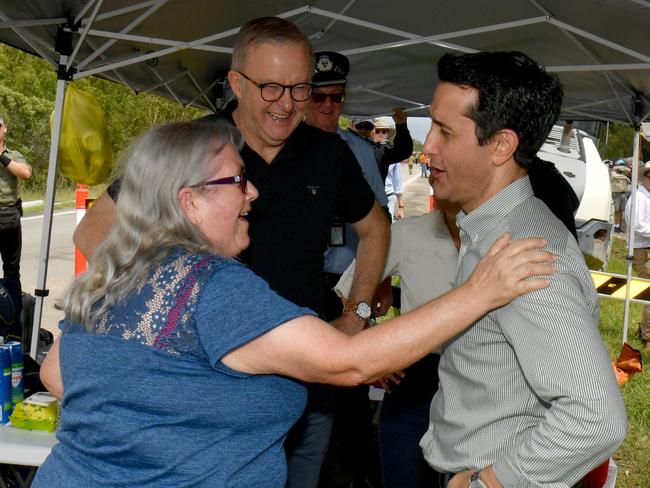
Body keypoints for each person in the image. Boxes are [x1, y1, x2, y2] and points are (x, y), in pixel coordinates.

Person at [34, 119, 554, 488]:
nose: (252, 193)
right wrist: (480, 290)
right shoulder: (209, 285)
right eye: (237, 181)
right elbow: (350, 364)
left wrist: (173, 406)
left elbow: (58, 373)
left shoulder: (114, 276)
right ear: (189, 201)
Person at [73, 17, 391, 488]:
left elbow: (377, 228)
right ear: (237, 83)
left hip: (304, 383)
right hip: (209, 395)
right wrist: (161, 316)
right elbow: (92, 235)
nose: (287, 104)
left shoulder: (329, 153)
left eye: (300, 89)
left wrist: (357, 313)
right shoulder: (193, 150)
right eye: (271, 88)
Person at [419, 51, 627, 488]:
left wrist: (488, 483)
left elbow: (597, 418)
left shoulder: (525, 251)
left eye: (445, 132)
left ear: (501, 146)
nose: (426, 149)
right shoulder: (491, 227)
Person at [336, 186, 461, 488]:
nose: (434, 172)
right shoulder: (408, 233)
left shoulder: (503, 235)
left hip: (483, 384)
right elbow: (350, 290)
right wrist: (376, 348)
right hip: (417, 382)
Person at [305, 50, 389, 487]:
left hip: (343, 291)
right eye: (318, 98)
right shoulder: (284, 149)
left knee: (348, 406)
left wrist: (366, 302)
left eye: (335, 99)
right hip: (297, 293)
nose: (326, 107)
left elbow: (381, 226)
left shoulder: (358, 152)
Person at [0, 115, 32, 320]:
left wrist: (2, 157)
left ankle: (12, 320)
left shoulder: (14, 155)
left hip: (8, 219)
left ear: (4, 129)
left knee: (11, 270)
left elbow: (25, 173)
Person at [624, 161, 650, 349]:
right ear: (646, 177)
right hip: (641, 249)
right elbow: (637, 226)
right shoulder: (638, 197)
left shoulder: (646, 196)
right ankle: (647, 336)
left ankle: (644, 331)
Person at [611, 159, 631, 233]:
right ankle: (613, 225)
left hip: (623, 194)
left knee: (620, 211)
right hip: (616, 194)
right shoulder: (613, 172)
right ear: (616, 165)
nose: (621, 166)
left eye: (622, 164)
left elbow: (628, 170)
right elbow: (614, 176)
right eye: (620, 164)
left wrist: (623, 169)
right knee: (615, 210)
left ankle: (617, 226)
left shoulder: (624, 173)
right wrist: (625, 178)